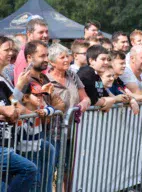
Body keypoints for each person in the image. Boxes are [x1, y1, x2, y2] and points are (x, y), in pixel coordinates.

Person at [0, 36, 38, 192]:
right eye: (6, 49)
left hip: (7, 140)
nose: (11, 53)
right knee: (29, 169)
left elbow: (14, 104)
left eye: (12, 49)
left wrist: (20, 86)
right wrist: (5, 111)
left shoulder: (5, 77)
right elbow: (9, 107)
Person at [18, 82, 56, 192]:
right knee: (33, 181)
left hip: (36, 150)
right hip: (24, 152)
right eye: (36, 95)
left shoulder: (40, 108)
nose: (40, 98)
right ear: (25, 98)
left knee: (37, 179)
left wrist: (45, 111)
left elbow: (52, 109)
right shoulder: (21, 112)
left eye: (41, 95)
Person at [47, 43, 91, 112]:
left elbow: (85, 98)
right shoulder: (46, 79)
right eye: (62, 57)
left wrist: (84, 102)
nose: (66, 60)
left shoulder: (73, 75)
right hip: (53, 121)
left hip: (72, 121)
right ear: (52, 62)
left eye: (67, 56)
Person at [77, 45, 115, 112]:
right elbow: (92, 99)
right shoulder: (87, 72)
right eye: (103, 59)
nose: (106, 62)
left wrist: (113, 100)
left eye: (108, 59)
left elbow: (103, 94)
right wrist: (106, 101)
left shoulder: (96, 76)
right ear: (91, 61)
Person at [14, 18, 49, 85]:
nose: (45, 35)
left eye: (46, 32)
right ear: (29, 34)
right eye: (41, 32)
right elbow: (22, 87)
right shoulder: (24, 55)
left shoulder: (39, 51)